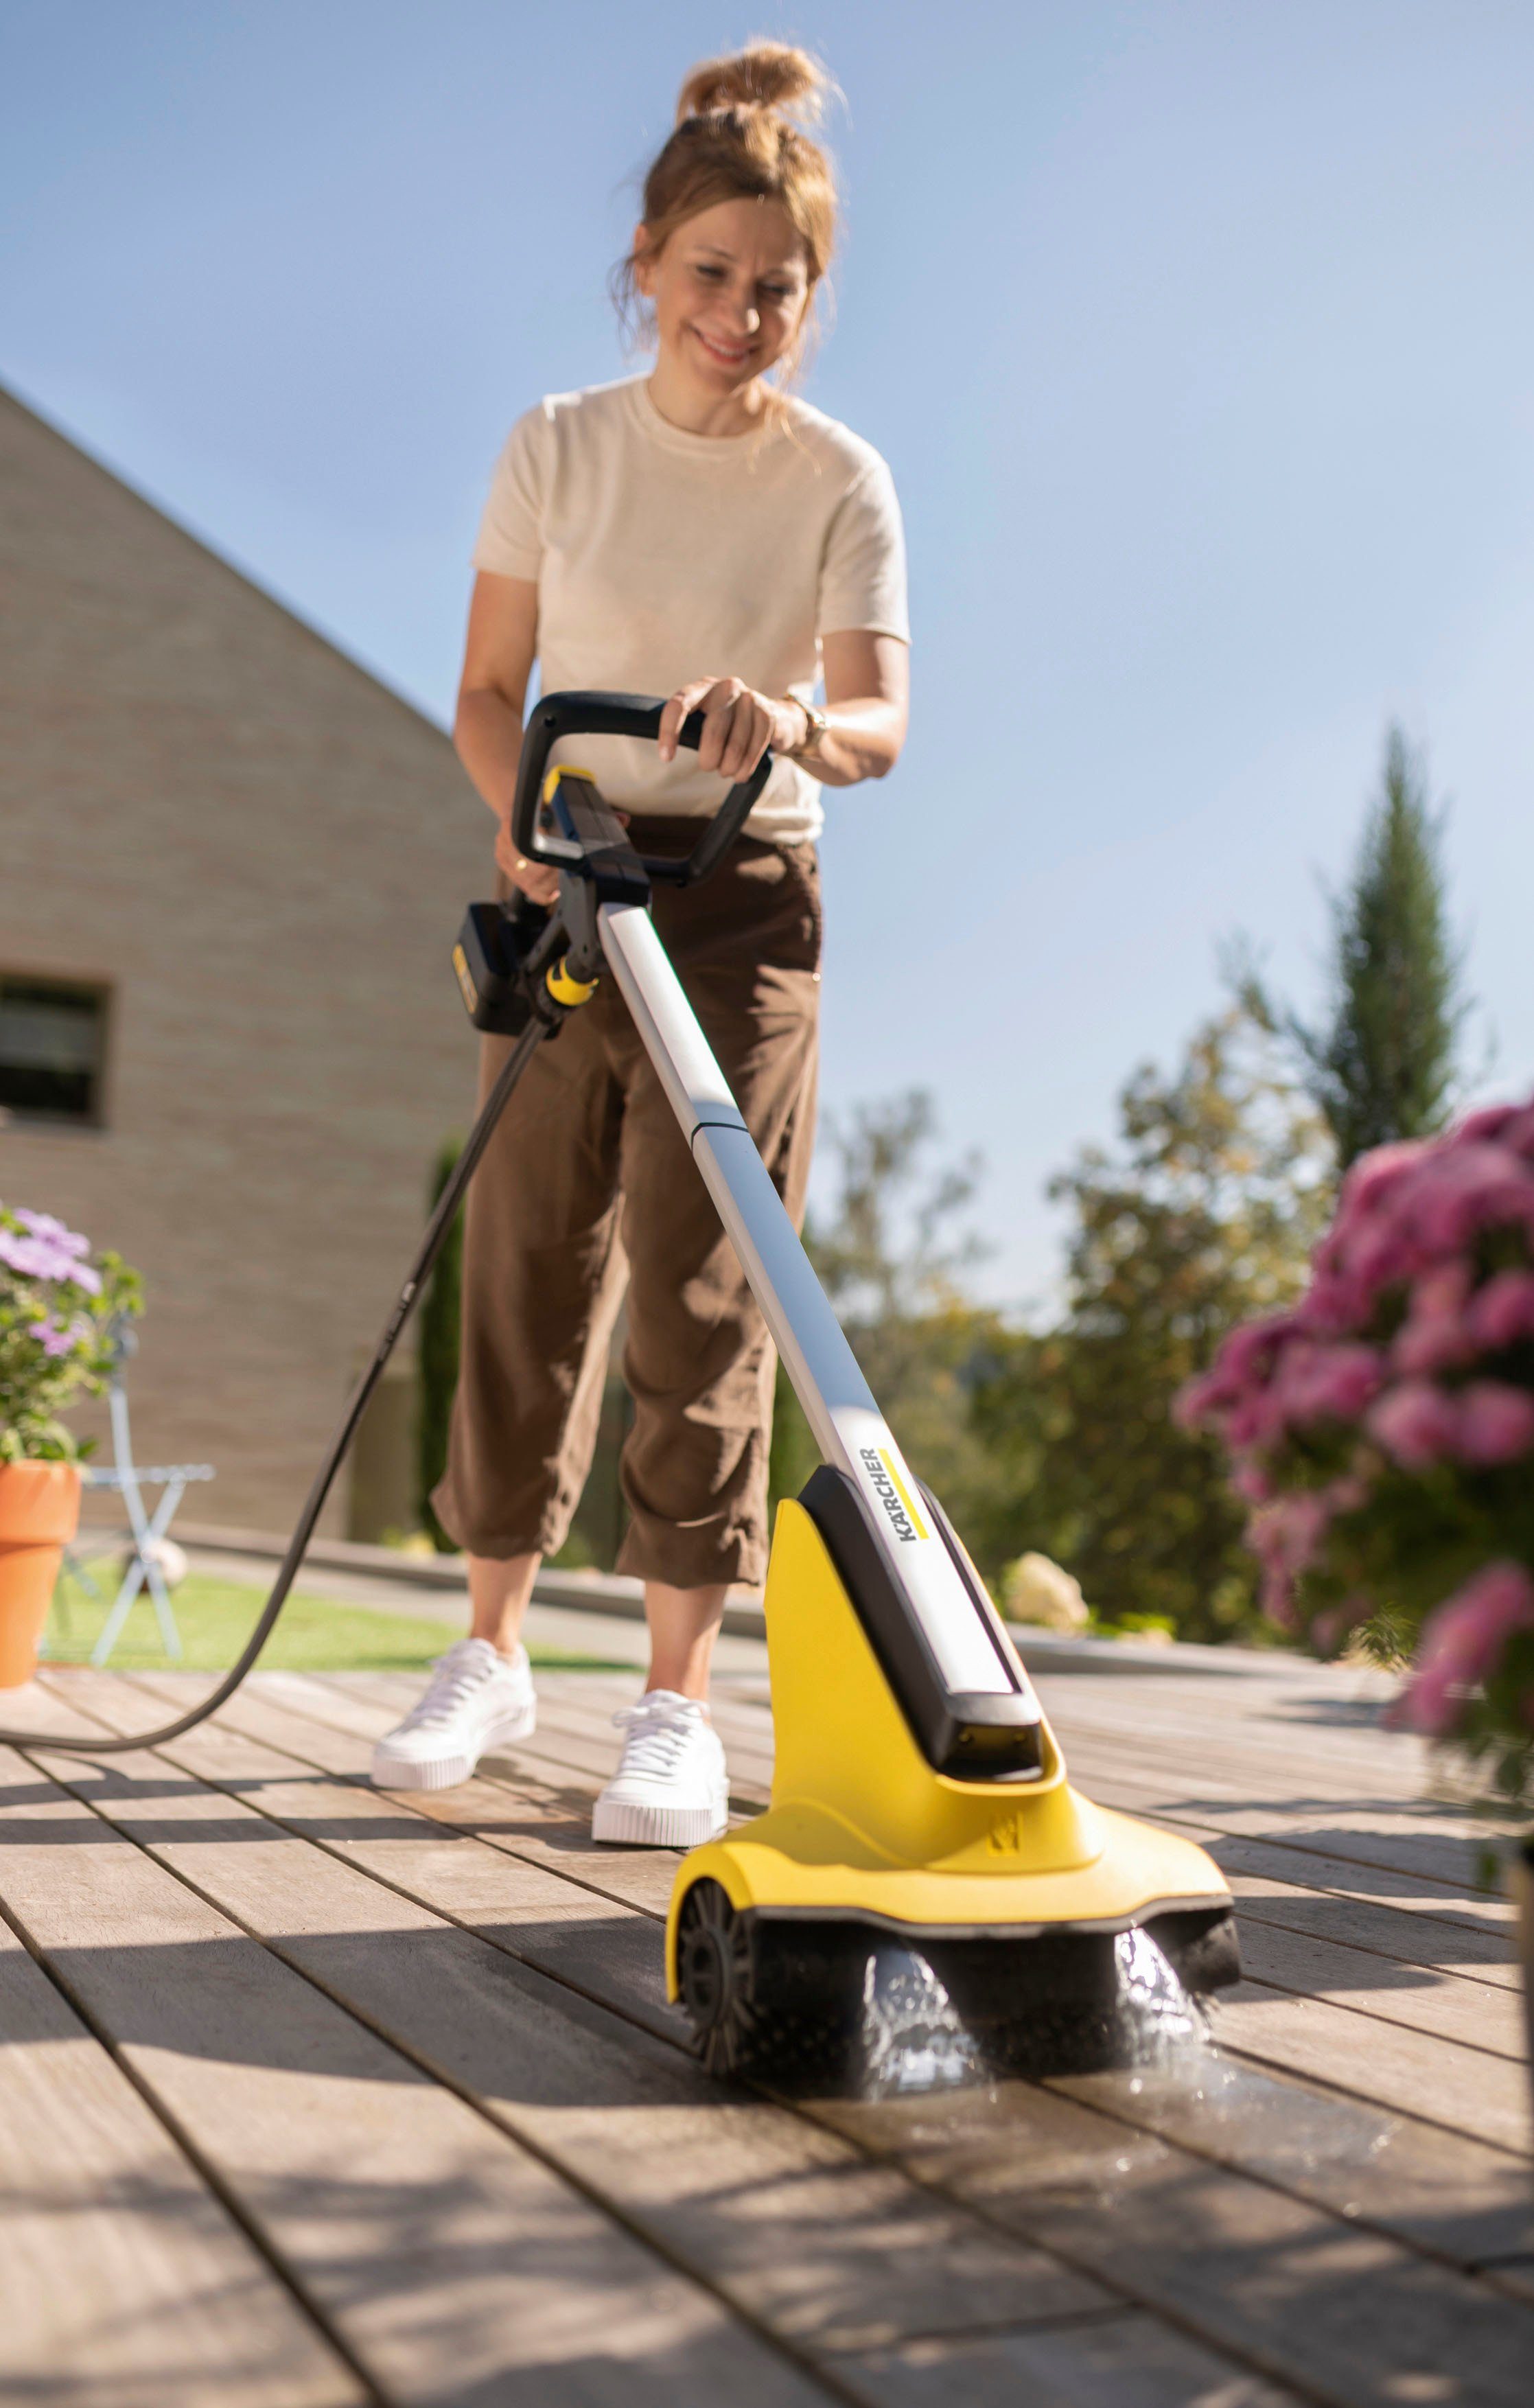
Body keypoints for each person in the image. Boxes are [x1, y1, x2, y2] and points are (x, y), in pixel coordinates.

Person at [371, 42, 909, 1838]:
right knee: (524, 1263)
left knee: (704, 1281)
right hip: (568, 881)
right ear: (646, 262)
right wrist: (523, 830)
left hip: (743, 900)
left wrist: (785, 720)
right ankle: (495, 1647)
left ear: (806, 298)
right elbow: (482, 692)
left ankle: (672, 1699)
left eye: (777, 288)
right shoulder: (555, 445)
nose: (741, 315)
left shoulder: (841, 481)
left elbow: (879, 723)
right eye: (710, 276)